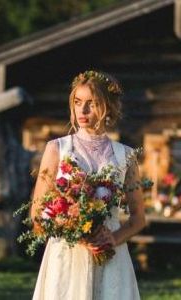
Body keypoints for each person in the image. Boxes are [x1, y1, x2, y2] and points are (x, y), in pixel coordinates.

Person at [31, 70, 146, 300]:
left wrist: (112, 238)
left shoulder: (126, 156)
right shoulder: (57, 149)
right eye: (77, 102)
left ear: (108, 108)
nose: (82, 111)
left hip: (110, 258)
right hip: (66, 257)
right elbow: (37, 214)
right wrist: (73, 230)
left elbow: (138, 219)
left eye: (91, 104)